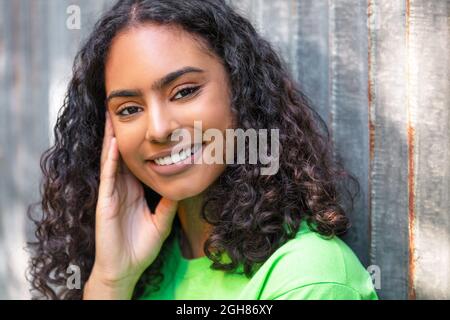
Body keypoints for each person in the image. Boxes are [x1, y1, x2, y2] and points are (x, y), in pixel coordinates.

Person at [27, 0, 378, 300]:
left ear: (240, 90)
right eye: (129, 109)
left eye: (184, 91)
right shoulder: (145, 268)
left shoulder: (308, 278)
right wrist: (110, 280)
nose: (160, 129)